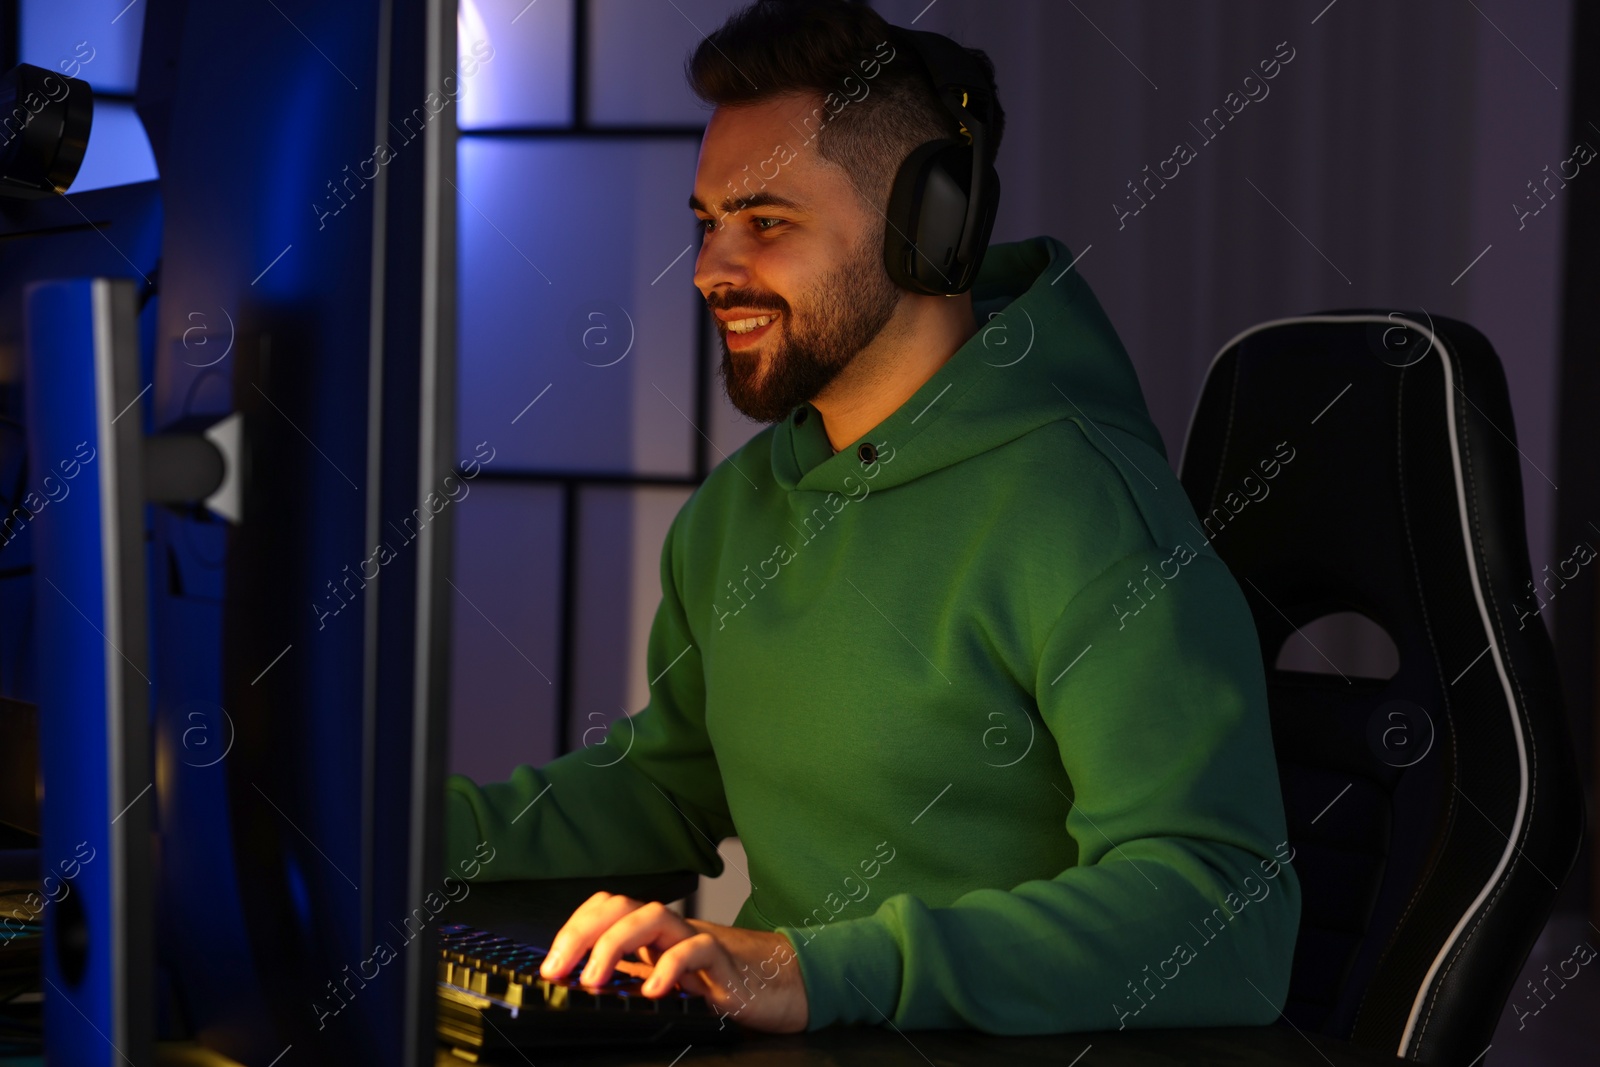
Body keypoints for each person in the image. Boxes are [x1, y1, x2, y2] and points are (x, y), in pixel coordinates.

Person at [443, 0, 1298, 1037]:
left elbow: (1222, 913)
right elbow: (667, 788)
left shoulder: (1084, 512)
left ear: (926, 230)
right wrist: (390, 830)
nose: (712, 267)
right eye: (707, 220)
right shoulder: (736, 512)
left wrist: (826, 968)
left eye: (766, 222)